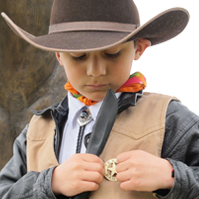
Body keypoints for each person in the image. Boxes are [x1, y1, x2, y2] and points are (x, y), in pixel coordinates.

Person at [0, 0, 197, 199]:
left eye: (112, 54)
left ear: (139, 48)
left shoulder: (169, 118)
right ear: (58, 55)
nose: (96, 71)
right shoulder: (36, 132)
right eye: (79, 56)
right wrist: (50, 183)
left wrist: (172, 176)